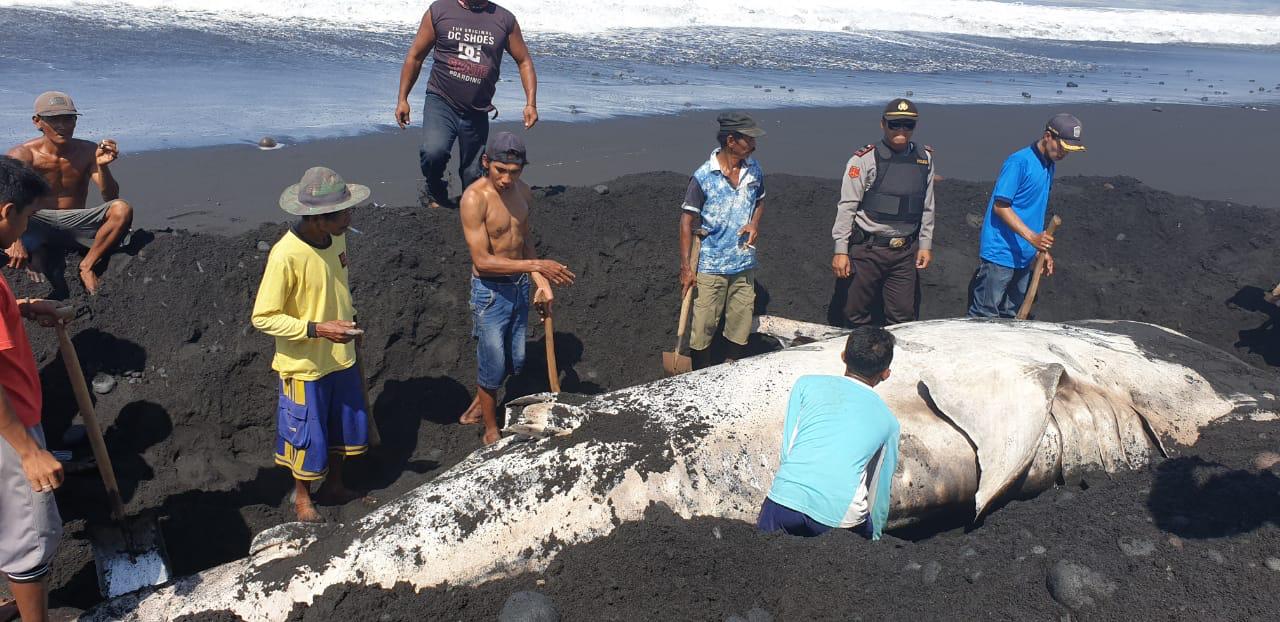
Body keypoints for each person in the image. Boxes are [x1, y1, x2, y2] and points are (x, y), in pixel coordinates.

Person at [251, 167, 375, 522]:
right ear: (319, 219)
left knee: (340, 426)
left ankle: (334, 485)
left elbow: (337, 284)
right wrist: (318, 329)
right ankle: (303, 499)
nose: (350, 218)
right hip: (305, 365)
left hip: (342, 354)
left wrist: (349, 325)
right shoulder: (285, 255)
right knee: (306, 432)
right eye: (344, 212)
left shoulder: (337, 237)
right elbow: (263, 317)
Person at [457, 132, 574, 445]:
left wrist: (541, 283)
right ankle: (489, 428)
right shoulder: (474, 199)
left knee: (515, 360)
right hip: (490, 292)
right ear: (486, 163)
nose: (507, 179)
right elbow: (482, 261)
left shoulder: (524, 192)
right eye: (500, 171)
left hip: (519, 287)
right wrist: (538, 267)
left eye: (514, 171)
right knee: (493, 361)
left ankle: (479, 402)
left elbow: (524, 241)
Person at [0, 156, 66, 622]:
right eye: (25, 216)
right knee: (30, 537)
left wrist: (20, 308)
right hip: (9, 430)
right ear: (6, 211)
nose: (24, 226)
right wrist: (28, 450)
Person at [757, 326, 900, 540]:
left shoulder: (805, 385)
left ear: (843, 356)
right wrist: (875, 540)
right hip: (840, 519)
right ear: (886, 373)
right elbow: (878, 492)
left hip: (783, 503)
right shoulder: (889, 422)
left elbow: (788, 450)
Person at [395, 0, 539, 209]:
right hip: (441, 100)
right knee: (433, 152)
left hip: (477, 109)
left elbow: (524, 61)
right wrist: (402, 99)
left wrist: (531, 104)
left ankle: (469, 207)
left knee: (473, 173)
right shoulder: (439, 10)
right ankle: (435, 191)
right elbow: (415, 56)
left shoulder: (504, 19)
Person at [5, 91, 134, 294]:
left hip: (74, 224)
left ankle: (87, 265)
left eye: (69, 119)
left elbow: (111, 197)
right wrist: (15, 242)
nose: (63, 126)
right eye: (55, 120)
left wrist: (103, 167)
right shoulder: (23, 155)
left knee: (122, 209)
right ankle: (36, 252)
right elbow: (5, 203)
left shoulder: (88, 151)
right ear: (37, 122)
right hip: (36, 223)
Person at [831, 99, 937, 327]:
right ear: (883, 124)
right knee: (854, 314)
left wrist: (925, 244)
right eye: (895, 124)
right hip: (868, 250)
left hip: (905, 252)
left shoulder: (924, 158)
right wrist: (841, 250)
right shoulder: (864, 159)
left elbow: (928, 205)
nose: (901, 130)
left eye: (907, 125)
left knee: (903, 318)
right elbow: (847, 206)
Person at [968, 114, 1085, 318]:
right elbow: (1001, 206)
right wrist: (1033, 238)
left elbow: (1033, 210)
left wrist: (1041, 249)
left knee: (1011, 314)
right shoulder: (1019, 162)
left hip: (1025, 254)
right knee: (985, 315)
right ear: (1048, 136)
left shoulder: (1049, 164)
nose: (1064, 153)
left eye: (1069, 150)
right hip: (1001, 253)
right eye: (1062, 147)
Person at [679, 112, 767, 369]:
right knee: (704, 324)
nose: (754, 145)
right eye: (748, 140)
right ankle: (700, 372)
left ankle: (731, 367)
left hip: (743, 262)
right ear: (731, 140)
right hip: (711, 266)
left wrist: (754, 223)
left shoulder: (755, 170)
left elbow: (760, 200)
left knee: (740, 321)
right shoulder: (704, 176)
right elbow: (686, 222)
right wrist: (686, 268)